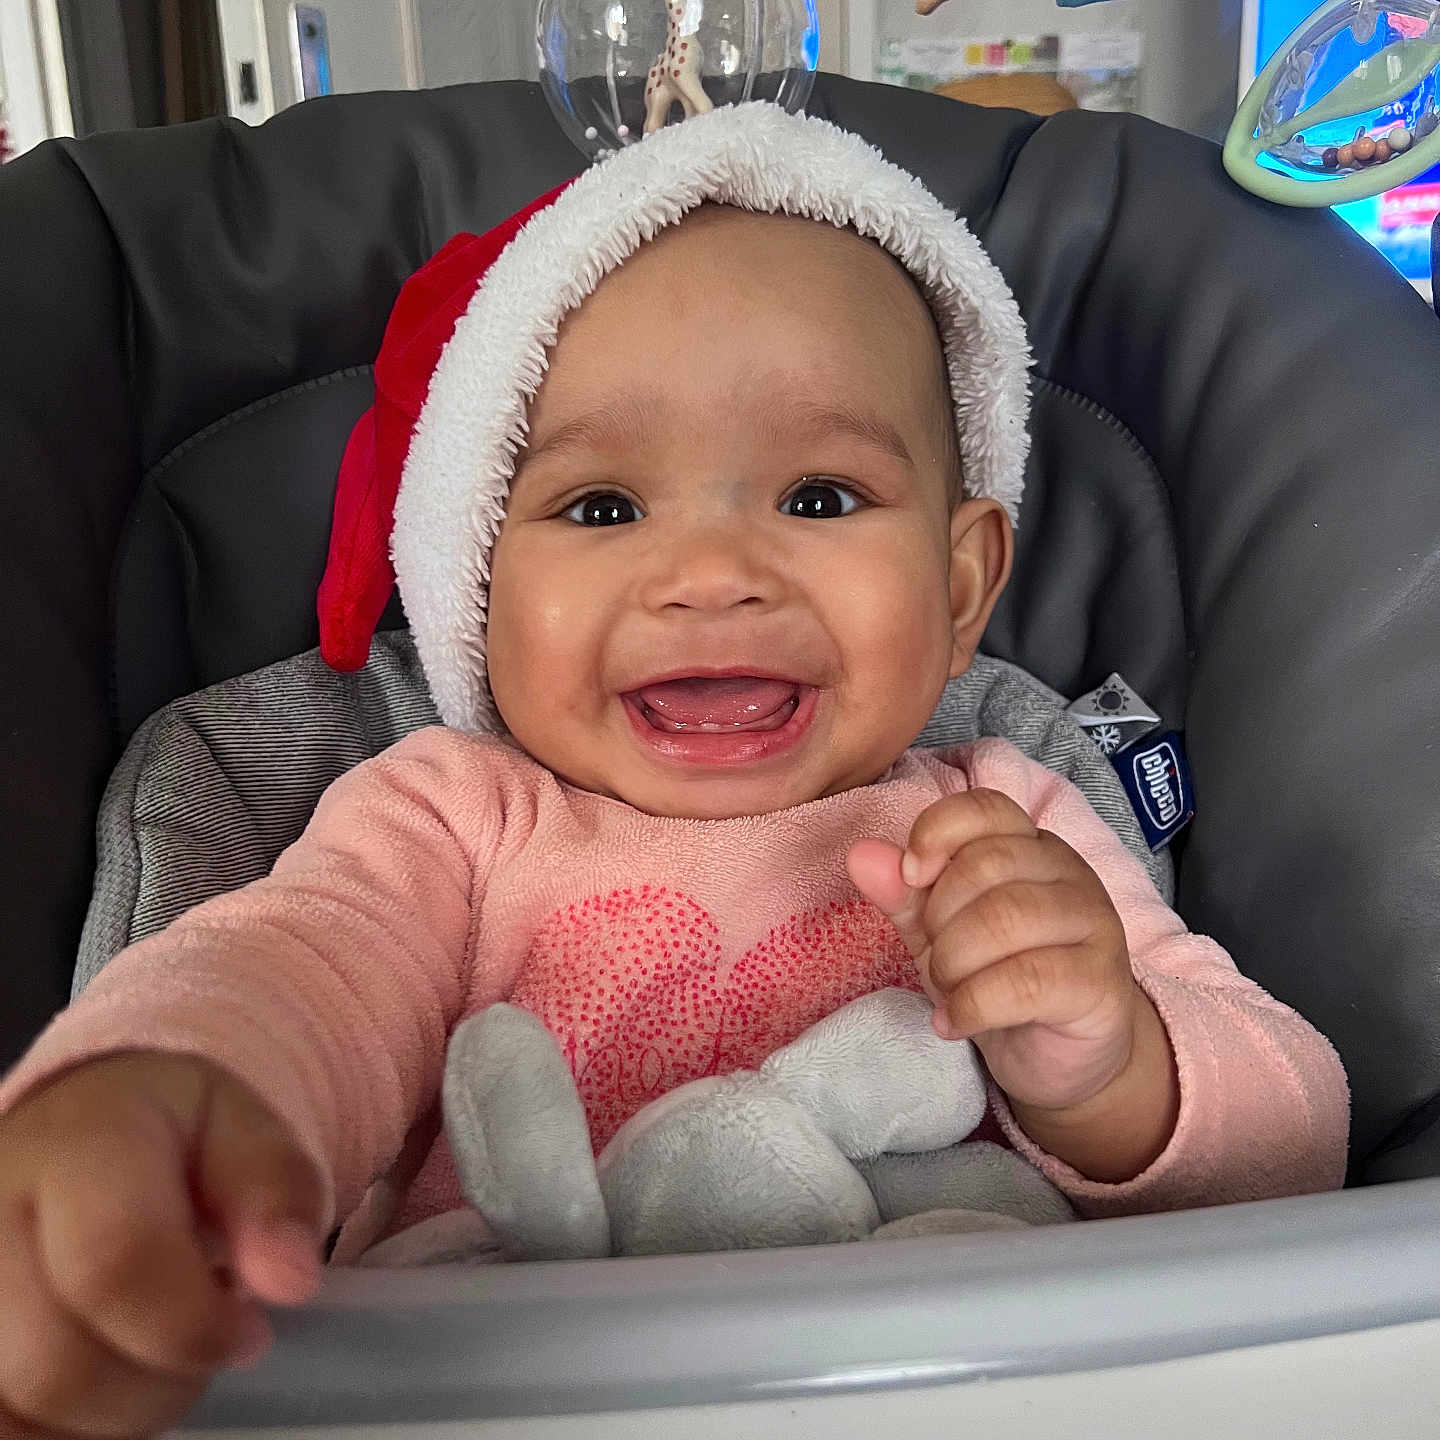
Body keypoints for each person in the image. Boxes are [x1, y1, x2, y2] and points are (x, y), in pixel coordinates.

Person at [0, 104, 1348, 1437]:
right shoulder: (455, 814)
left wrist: (1111, 1059)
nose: (711, 577)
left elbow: (1293, 1149)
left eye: (819, 498)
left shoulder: (1008, 813)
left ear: (957, 585)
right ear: (474, 587)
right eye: (601, 508)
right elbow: (301, 970)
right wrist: (163, 1095)